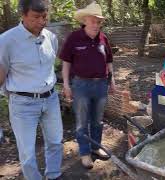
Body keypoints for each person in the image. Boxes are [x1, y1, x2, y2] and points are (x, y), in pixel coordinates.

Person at [0, 0, 63, 179]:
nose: (41, 21)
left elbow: (50, 67)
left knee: (55, 142)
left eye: (44, 17)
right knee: (27, 152)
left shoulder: (51, 38)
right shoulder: (6, 41)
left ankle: (54, 175)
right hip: (22, 104)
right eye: (36, 17)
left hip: (50, 99)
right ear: (23, 14)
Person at [59, 2, 115, 169]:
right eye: (93, 21)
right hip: (81, 85)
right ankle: (84, 153)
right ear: (84, 20)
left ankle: (96, 148)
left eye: (99, 21)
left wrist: (112, 81)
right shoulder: (74, 38)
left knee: (97, 120)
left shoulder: (103, 38)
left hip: (101, 85)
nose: (97, 24)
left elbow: (109, 61)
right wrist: (67, 85)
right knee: (82, 121)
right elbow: (66, 63)